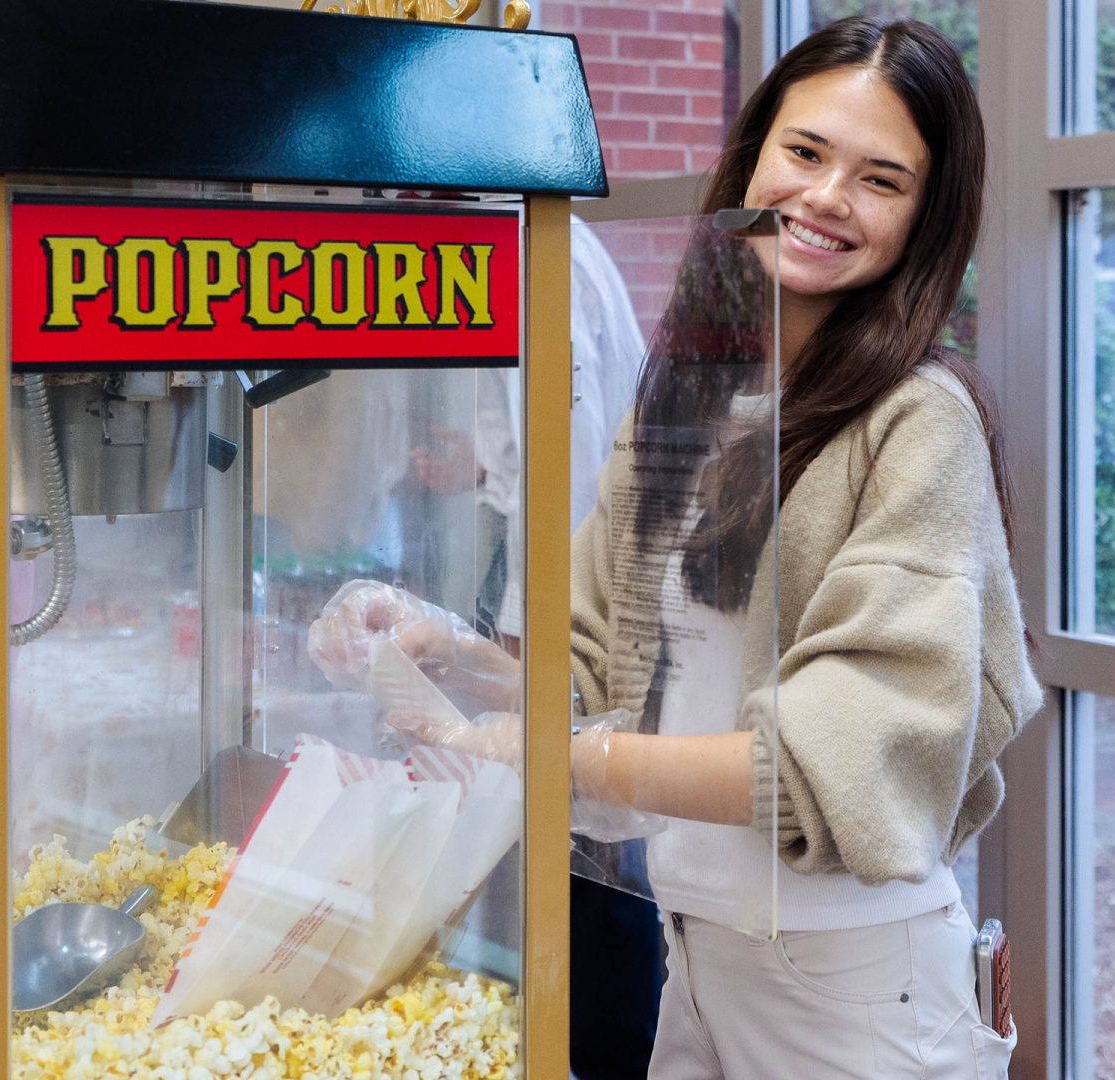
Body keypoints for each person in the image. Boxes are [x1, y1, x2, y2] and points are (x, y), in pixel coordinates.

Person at [309, 16, 1038, 1078]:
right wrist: (442, 648)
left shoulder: (917, 422)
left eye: (882, 179)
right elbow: (604, 673)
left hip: (854, 982)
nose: (827, 196)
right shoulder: (688, 408)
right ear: (751, 162)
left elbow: (830, 758)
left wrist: (555, 756)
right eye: (804, 153)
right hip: (691, 955)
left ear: (926, 221)